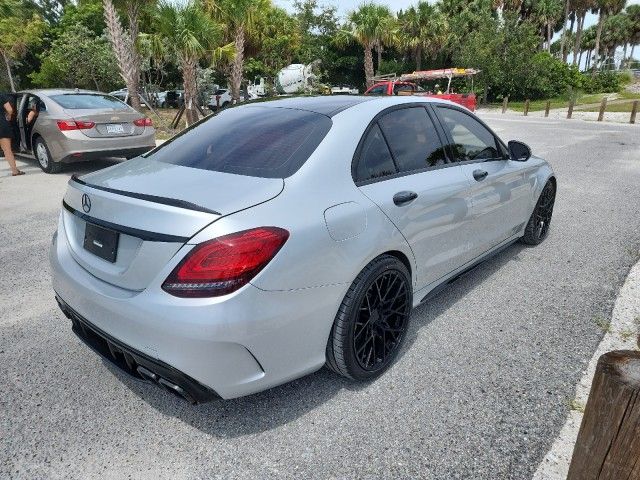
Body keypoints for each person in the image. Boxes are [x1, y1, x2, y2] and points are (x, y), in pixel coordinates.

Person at [0, 92, 23, 176]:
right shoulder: (1, 95)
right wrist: (8, 116)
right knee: (7, 150)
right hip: (2, 125)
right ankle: (15, 171)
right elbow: (9, 109)